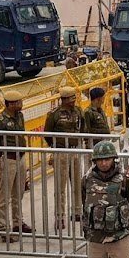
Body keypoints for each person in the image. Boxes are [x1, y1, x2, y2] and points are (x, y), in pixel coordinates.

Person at [0, 90, 32, 235]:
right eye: (18, 102)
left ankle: (17, 222)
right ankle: (2, 227)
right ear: (11, 104)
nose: (21, 105)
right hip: (6, 160)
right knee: (3, 195)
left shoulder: (20, 116)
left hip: (19, 158)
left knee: (18, 193)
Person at [43, 86, 85, 230]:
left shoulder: (78, 111)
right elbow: (47, 134)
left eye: (74, 97)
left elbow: (83, 128)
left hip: (74, 151)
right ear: (64, 99)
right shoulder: (54, 114)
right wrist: (55, 147)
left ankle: (77, 211)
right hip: (61, 152)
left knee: (77, 183)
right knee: (60, 187)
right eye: (71, 98)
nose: (74, 100)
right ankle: (59, 216)